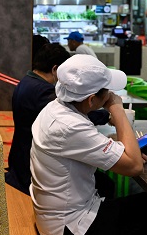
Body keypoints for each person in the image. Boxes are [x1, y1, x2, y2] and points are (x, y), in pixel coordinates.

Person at [30, 54, 147, 235]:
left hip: (52, 215)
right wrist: (117, 109)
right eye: (107, 92)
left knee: (107, 185)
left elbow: (83, 146)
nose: (111, 95)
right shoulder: (71, 126)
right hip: (67, 229)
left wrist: (123, 151)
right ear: (92, 100)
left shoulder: (55, 108)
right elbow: (134, 167)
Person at [7, 43, 113, 196]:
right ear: (55, 69)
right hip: (27, 170)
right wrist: (108, 116)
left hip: (19, 159)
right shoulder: (43, 91)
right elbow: (72, 111)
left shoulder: (26, 81)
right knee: (103, 182)